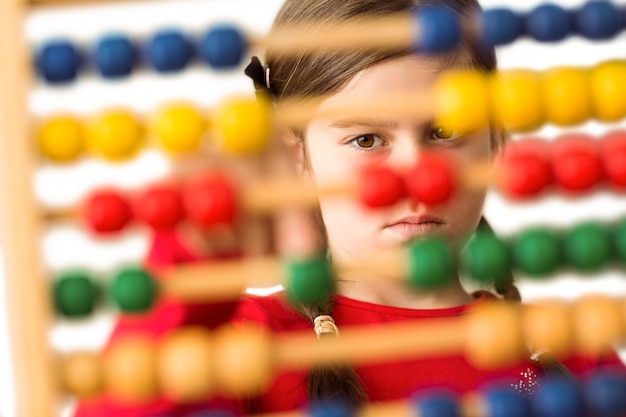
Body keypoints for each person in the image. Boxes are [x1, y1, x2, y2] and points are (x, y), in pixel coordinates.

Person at [74, 0, 626, 416]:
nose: (419, 178)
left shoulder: (573, 356)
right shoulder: (244, 346)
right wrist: (190, 259)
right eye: (366, 140)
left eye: (446, 131)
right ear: (298, 158)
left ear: (497, 142)